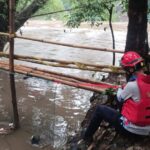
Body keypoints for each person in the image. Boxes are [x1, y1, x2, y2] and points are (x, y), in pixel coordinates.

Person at [78, 51, 150, 146]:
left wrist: (121, 88)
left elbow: (120, 98)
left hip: (132, 131)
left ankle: (86, 139)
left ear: (130, 70)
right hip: (147, 130)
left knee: (100, 109)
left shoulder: (132, 86)